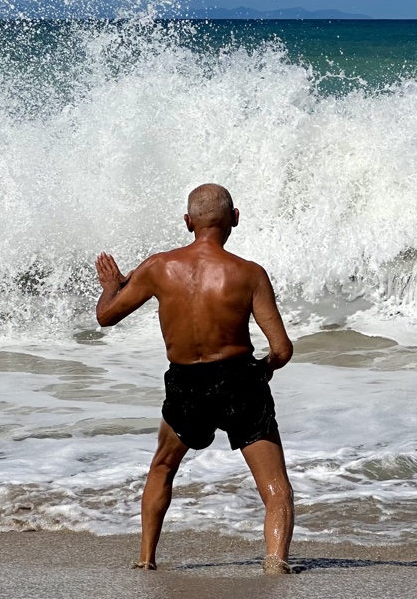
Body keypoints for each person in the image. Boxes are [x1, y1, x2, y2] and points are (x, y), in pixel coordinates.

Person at [94, 183, 296, 575]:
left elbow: (106, 316)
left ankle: (146, 559)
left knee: (163, 467)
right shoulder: (250, 274)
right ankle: (275, 564)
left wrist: (109, 288)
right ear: (235, 219)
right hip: (240, 381)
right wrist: (263, 372)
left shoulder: (158, 267)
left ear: (188, 223)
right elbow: (282, 348)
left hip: (186, 383)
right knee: (275, 488)